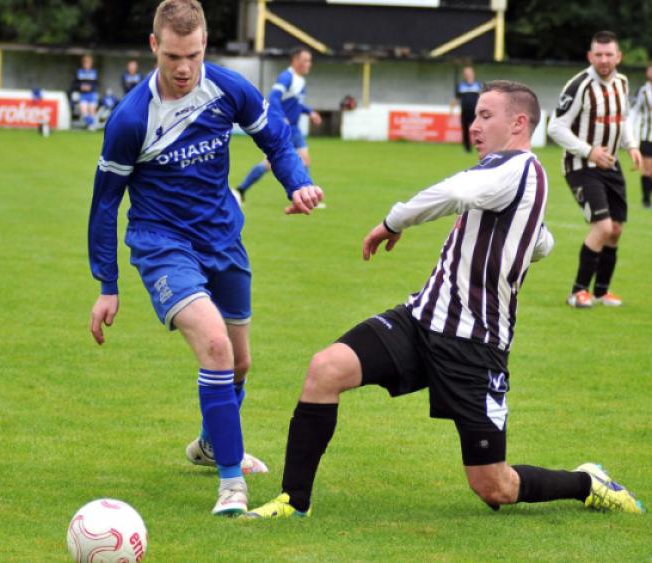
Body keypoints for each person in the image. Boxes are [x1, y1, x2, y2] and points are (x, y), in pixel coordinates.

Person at [245, 80, 644, 519]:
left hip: (475, 348)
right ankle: (292, 502)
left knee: (494, 486)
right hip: (421, 320)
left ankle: (587, 482)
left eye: (486, 116)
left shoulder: (519, 168)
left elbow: (457, 194)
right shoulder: (503, 172)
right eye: (474, 116)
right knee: (325, 369)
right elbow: (543, 242)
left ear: (518, 123)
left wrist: (392, 222)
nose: (474, 126)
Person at [87, 0, 324, 517]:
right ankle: (230, 481)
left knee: (239, 362)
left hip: (222, 238)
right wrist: (107, 283)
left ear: (205, 46)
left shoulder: (229, 88)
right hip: (162, 243)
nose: (182, 68)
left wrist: (299, 183)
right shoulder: (131, 119)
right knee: (215, 347)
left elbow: (275, 139)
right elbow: (105, 204)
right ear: (154, 46)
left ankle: (212, 444)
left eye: (193, 54)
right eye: (172, 54)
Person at [547, 30, 642, 309]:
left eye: (609, 54)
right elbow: (555, 127)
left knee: (615, 230)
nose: (603, 60)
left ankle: (601, 291)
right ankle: (577, 292)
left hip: (610, 165)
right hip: (581, 166)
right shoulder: (579, 85)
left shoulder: (622, 83)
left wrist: (632, 146)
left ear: (618, 57)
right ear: (590, 56)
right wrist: (589, 151)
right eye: (598, 55)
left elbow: (621, 120)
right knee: (601, 227)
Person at [235, 47, 322, 203]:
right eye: (305, 60)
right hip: (286, 130)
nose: (309, 64)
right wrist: (282, 116)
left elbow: (296, 105)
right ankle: (241, 189)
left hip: (295, 129)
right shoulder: (286, 77)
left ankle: (306, 195)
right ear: (295, 61)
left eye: (310, 61)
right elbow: (274, 97)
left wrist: (310, 112)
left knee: (305, 160)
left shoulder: (300, 80)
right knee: (268, 164)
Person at [630, 62, 652, 208]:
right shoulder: (642, 91)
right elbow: (634, 112)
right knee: (647, 170)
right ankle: (646, 200)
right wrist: (631, 136)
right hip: (646, 137)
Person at [451, 65, 482, 153]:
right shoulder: (461, 86)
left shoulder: (478, 85)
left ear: (473, 73)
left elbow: (482, 98)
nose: (468, 74)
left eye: (469, 72)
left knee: (478, 131)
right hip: (464, 111)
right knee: (465, 130)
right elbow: (456, 98)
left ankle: (480, 147)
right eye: (466, 73)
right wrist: (451, 110)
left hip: (475, 112)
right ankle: (467, 149)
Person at [76, 54, 100, 129]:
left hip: (92, 94)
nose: (87, 64)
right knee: (84, 109)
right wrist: (80, 87)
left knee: (92, 109)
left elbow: (97, 83)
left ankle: (91, 125)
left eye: (88, 63)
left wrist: (91, 87)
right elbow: (75, 83)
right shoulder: (79, 72)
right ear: (83, 63)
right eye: (85, 63)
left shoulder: (94, 72)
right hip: (83, 94)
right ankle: (89, 123)